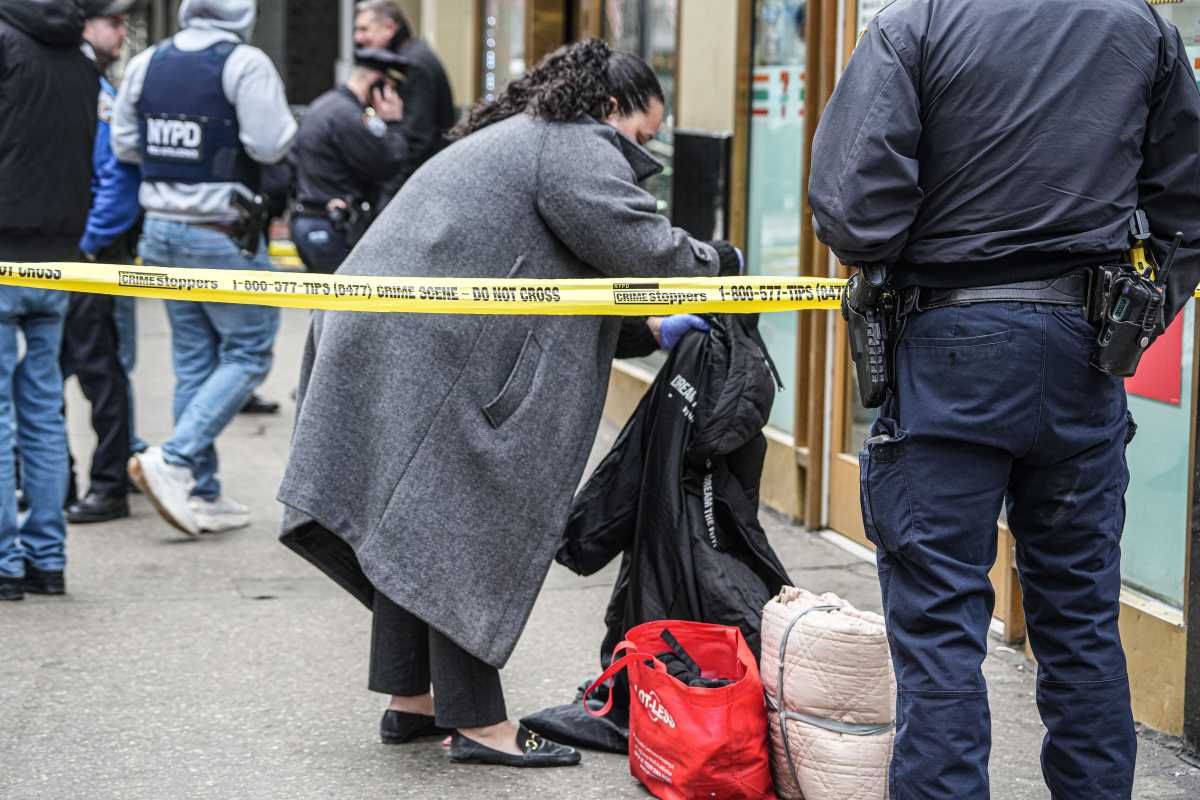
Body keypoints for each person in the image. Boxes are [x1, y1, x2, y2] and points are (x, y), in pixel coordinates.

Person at [277, 39, 740, 767]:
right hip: (420, 347)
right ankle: (480, 724)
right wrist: (720, 264)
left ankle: (412, 700)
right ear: (609, 108)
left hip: (390, 340)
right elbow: (637, 244)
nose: (641, 154)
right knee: (462, 524)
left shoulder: (528, 136)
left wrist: (648, 330)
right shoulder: (573, 143)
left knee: (416, 521)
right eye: (641, 136)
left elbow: (557, 273)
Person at [808, 1, 1200, 797]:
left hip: (950, 346)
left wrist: (907, 250)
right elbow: (1187, 202)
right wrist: (1143, 310)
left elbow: (852, 206)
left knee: (941, 630)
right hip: (1084, 351)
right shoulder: (1140, 25)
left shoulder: (915, 23)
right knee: (1081, 623)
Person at [112, 0, 296, 537]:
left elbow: (125, 144)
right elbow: (271, 144)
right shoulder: (245, 63)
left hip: (160, 231)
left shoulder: (147, 62)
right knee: (249, 353)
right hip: (221, 233)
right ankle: (175, 460)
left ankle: (200, 491)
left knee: (194, 361)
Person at [0, 0, 99, 601]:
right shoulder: (80, 57)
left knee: (4, 417)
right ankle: (47, 557)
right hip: (58, 255)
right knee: (41, 412)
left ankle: (6, 564)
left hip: (5, 249)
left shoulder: (7, 44)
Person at [64, 0, 141, 525]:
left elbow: (117, 181)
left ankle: (109, 482)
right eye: (112, 22)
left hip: (87, 252)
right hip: (75, 248)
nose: (121, 32)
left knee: (98, 369)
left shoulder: (97, 89)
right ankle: (65, 481)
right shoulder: (82, 81)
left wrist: (89, 244)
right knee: (67, 370)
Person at [289, 48, 408, 273]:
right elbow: (389, 163)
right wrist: (394, 124)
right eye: (390, 89)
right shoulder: (350, 116)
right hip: (332, 225)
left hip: (310, 219)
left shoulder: (323, 105)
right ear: (377, 84)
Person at [353, 0, 455, 201]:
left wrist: (389, 197)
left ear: (390, 28)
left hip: (416, 187)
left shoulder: (413, 65)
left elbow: (418, 140)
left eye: (365, 29)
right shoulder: (408, 58)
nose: (358, 38)